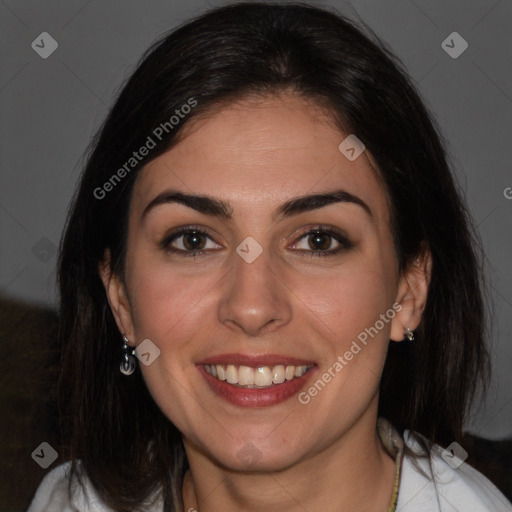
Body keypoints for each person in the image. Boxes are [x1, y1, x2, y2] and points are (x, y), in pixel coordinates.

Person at [27, 2, 512, 511]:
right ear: (121, 298)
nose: (252, 307)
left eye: (318, 240)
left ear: (408, 290)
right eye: (193, 240)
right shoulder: (72, 500)